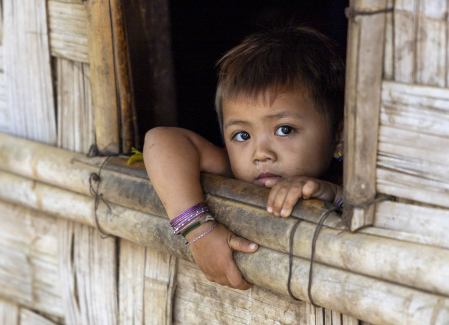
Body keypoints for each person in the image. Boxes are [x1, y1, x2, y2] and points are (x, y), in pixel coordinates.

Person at [144, 26, 345, 291]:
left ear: (339, 136)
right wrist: (197, 230)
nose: (261, 153)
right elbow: (161, 140)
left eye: (284, 130)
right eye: (241, 135)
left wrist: (334, 194)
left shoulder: (354, 178)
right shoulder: (232, 168)